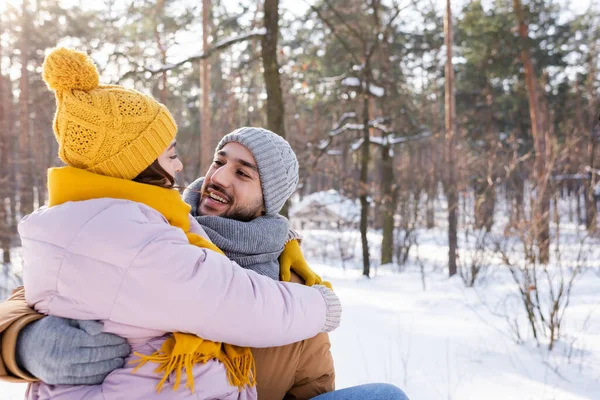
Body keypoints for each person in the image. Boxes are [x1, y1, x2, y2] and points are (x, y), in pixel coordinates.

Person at [10, 47, 342, 400]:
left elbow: (312, 389)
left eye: (242, 173)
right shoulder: (156, 230)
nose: (217, 177)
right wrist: (22, 342)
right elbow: (34, 295)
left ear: (268, 203)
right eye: (219, 161)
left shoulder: (289, 283)